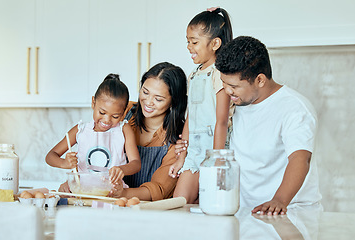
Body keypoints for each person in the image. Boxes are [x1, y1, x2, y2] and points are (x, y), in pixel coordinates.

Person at [215, 36, 322, 215]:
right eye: (223, 83)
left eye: (234, 86)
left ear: (260, 80)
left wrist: (279, 200)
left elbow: (300, 159)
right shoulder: (237, 103)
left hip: (290, 212)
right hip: (246, 212)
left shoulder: (295, 108)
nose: (227, 91)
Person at [168, 7, 235, 204]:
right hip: (194, 154)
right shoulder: (194, 74)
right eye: (187, 41)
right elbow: (192, 117)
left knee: (210, 205)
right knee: (179, 202)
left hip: (215, 152)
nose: (189, 47)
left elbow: (222, 121)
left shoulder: (219, 75)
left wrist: (216, 163)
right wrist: (182, 157)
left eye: (194, 42)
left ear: (215, 43)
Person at [109, 62, 188, 201]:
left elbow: (159, 189)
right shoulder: (124, 111)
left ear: (173, 102)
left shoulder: (177, 142)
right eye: (145, 92)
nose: (148, 102)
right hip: (109, 202)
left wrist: (122, 193)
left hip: (148, 212)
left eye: (158, 99)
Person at [46, 74, 141, 186]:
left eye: (115, 116)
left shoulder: (124, 129)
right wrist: (64, 163)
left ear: (124, 112)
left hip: (112, 194)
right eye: (102, 112)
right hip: (82, 192)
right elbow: (50, 156)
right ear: (93, 102)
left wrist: (122, 169)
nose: (106, 120)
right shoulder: (80, 130)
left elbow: (136, 163)